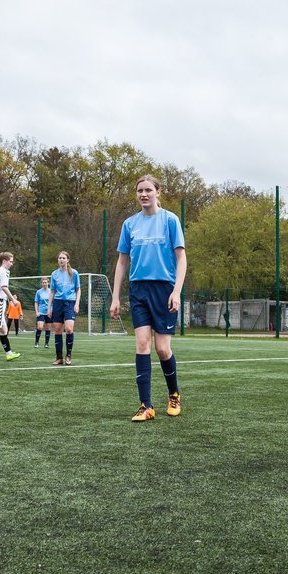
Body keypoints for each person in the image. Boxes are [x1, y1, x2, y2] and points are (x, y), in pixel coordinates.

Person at [110, 174, 187, 421]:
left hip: (164, 289)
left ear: (158, 192)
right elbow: (122, 262)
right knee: (142, 344)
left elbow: (181, 258)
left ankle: (174, 394)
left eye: (148, 190)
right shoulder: (129, 224)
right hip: (139, 290)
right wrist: (115, 297)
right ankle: (146, 406)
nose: (143, 194)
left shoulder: (170, 220)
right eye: (139, 191)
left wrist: (176, 291)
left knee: (163, 349)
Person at [49, 250, 81, 365]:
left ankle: (68, 355)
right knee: (57, 330)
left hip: (70, 303)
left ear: (68, 260)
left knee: (68, 329)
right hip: (57, 303)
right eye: (59, 258)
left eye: (63, 258)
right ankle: (59, 357)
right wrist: (49, 308)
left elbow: (78, 289)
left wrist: (77, 304)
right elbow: (52, 291)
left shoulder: (74, 273)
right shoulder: (54, 274)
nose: (61, 260)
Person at [33, 276, 53, 349]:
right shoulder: (39, 292)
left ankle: (46, 343)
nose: (44, 284)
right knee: (40, 327)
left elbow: (53, 302)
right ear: (41, 283)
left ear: (48, 283)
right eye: (43, 282)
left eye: (46, 282)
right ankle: (37, 342)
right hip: (41, 312)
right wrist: (37, 311)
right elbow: (36, 302)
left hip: (49, 312)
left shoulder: (51, 291)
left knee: (48, 328)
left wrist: (52, 311)